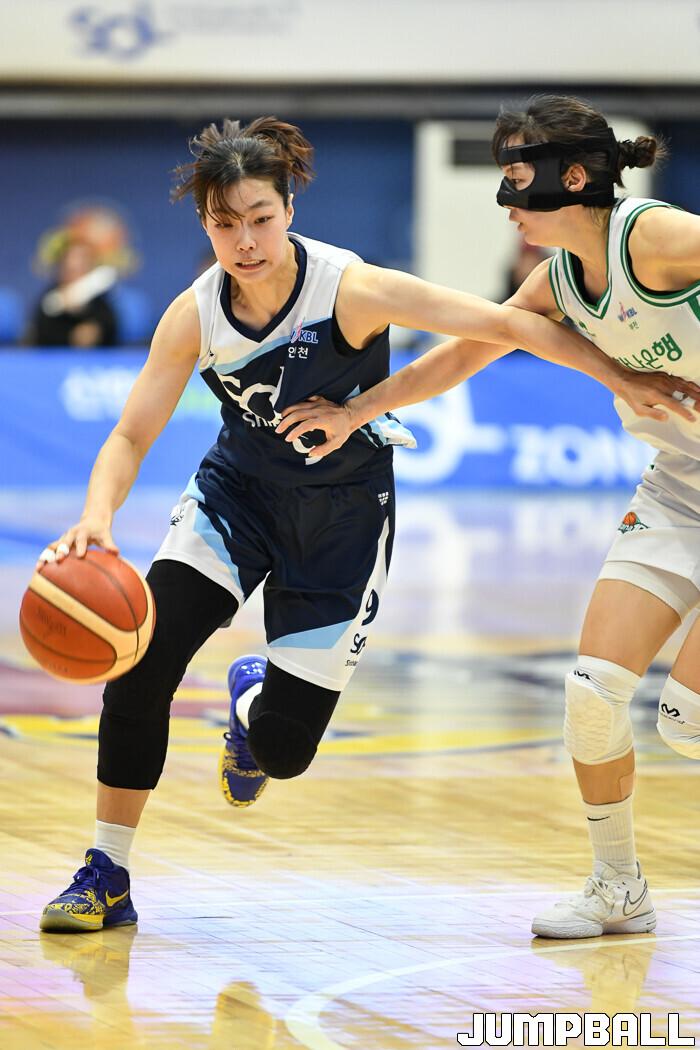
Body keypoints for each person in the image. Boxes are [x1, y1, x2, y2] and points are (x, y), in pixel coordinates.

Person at [37, 115, 698, 935]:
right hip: (235, 500)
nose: (245, 241)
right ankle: (107, 872)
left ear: (289, 210)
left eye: (260, 218)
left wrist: (619, 378)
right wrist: (96, 518)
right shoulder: (195, 313)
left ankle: (253, 702)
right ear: (204, 224)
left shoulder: (350, 287)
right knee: (143, 662)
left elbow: (503, 325)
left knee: (282, 751)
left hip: (343, 523)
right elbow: (131, 434)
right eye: (225, 223)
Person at [276, 95, 700, 941]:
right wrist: (356, 412)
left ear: (571, 178)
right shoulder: (555, 283)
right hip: (680, 486)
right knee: (592, 696)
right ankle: (619, 889)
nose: (506, 202)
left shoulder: (654, 239)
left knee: (686, 725)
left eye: (517, 179)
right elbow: (463, 354)